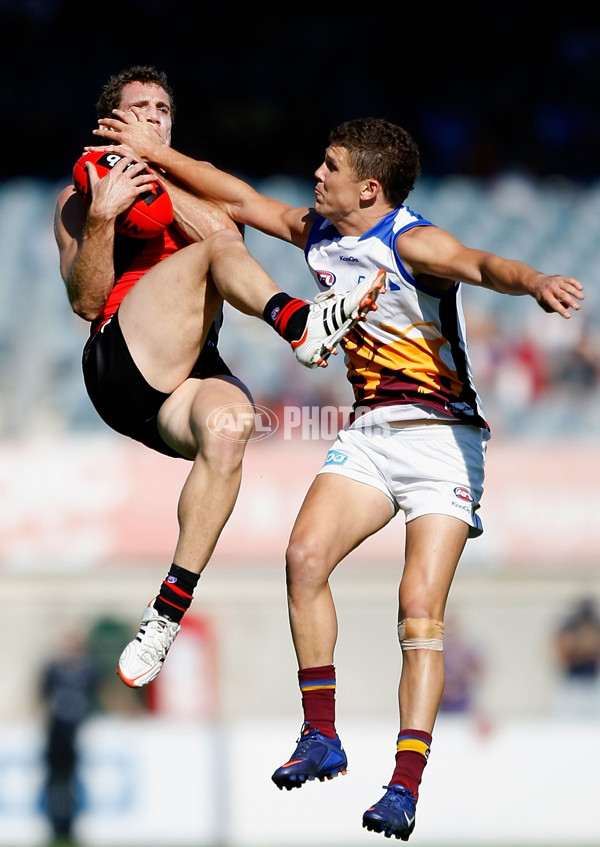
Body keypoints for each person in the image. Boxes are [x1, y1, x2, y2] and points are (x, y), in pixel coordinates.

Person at [91, 113, 584, 840]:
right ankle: (320, 733)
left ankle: (404, 785)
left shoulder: (414, 242)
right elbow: (245, 200)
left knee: (418, 608)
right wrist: (156, 154)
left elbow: (482, 266)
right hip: (372, 431)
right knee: (304, 558)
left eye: (329, 167)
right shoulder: (325, 234)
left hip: (443, 443)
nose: (316, 176)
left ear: (369, 188)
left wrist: (536, 279)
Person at [54, 67, 384, 691]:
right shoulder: (80, 191)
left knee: (233, 427)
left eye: (162, 109)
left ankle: (165, 613)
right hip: (122, 361)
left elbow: (227, 233)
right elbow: (85, 300)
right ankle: (301, 325)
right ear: (110, 122)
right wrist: (101, 218)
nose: (153, 116)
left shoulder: (184, 177)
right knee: (208, 260)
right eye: (138, 109)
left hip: (186, 372)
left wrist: (155, 168)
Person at [40, 628, 98, 846]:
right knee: (56, 780)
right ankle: (56, 824)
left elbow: (100, 693)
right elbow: (42, 696)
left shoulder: (87, 670)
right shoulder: (54, 669)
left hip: (76, 730)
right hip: (56, 730)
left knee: (71, 780)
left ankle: (70, 823)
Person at [553, 596, 600, 718]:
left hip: (592, 679)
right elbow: (560, 650)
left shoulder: (596, 626)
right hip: (572, 680)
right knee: (568, 718)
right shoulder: (569, 627)